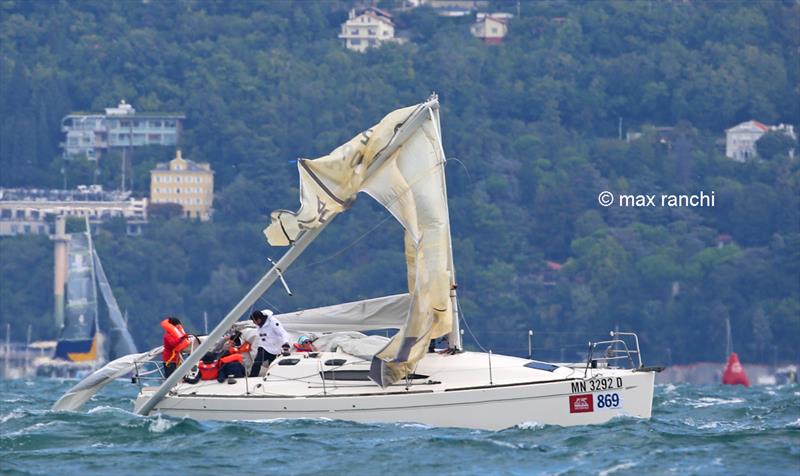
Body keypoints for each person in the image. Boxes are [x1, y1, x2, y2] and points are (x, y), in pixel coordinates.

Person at [249, 309, 290, 377]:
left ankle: (274, 377)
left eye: (254, 321)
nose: (254, 323)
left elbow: (283, 333)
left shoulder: (273, 322)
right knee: (257, 362)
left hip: (275, 348)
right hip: (263, 346)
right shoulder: (258, 324)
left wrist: (285, 342)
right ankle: (252, 376)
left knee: (273, 365)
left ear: (259, 319)